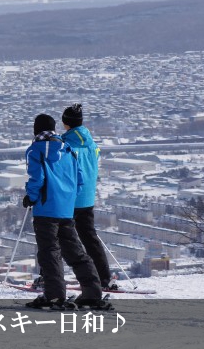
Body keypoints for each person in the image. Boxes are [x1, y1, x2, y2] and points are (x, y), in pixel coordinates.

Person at [22, 114, 105, 309]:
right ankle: (92, 292)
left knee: (50, 253)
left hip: (45, 210)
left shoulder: (35, 150)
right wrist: (68, 200)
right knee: (75, 252)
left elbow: (37, 179)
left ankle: (54, 295)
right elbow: (79, 180)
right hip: (66, 210)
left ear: (36, 130)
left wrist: (31, 197)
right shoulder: (67, 148)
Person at [62, 103, 115, 290]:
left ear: (65, 123)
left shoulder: (65, 144)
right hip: (88, 199)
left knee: (57, 237)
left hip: (69, 199)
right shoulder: (92, 144)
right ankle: (104, 277)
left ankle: (49, 278)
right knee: (90, 238)